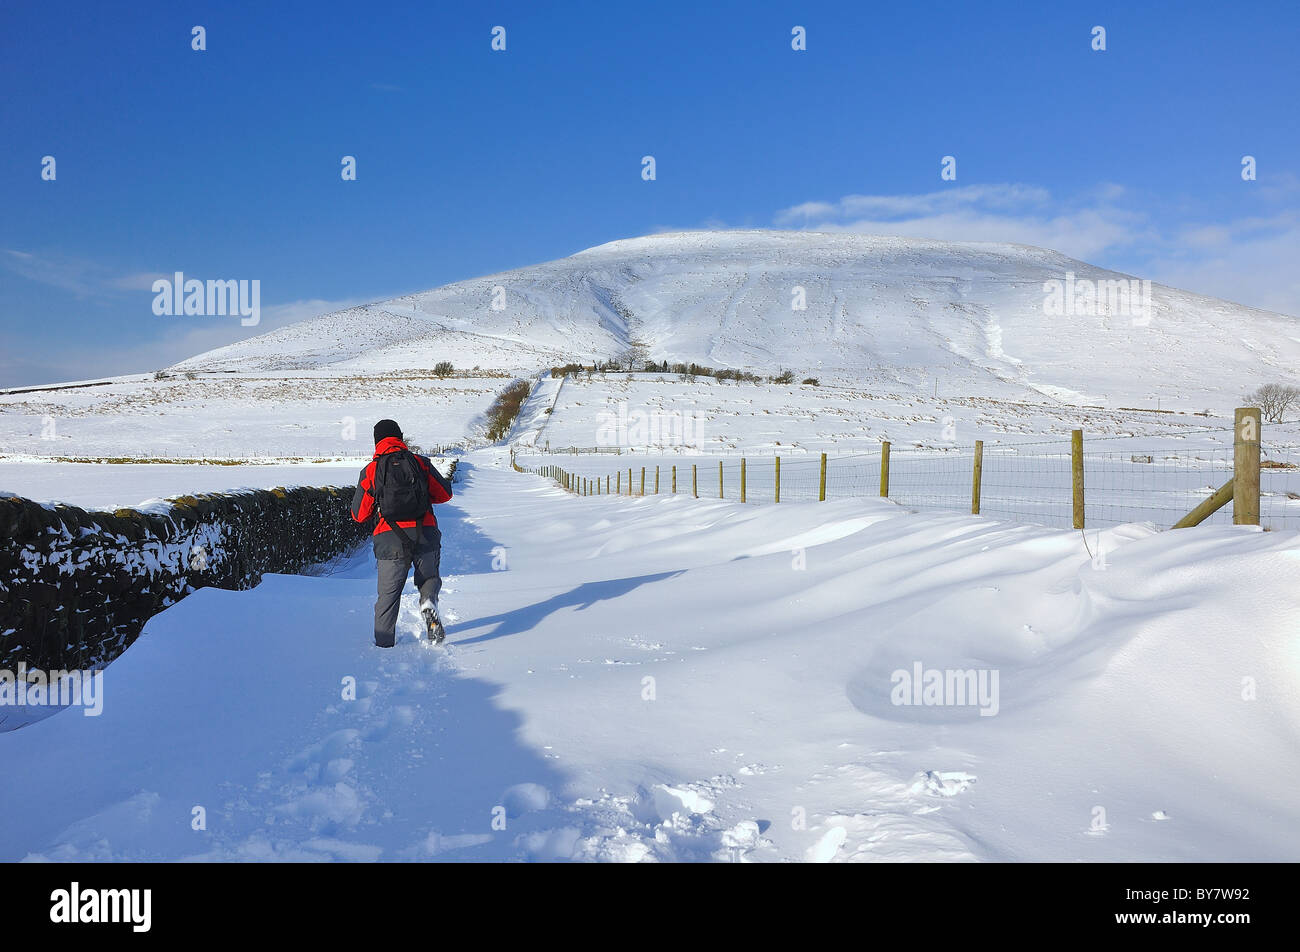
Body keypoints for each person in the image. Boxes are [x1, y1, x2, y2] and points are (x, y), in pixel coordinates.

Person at [350, 419, 453, 647]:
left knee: (388, 596)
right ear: (400, 437)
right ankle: (427, 601)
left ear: (377, 440)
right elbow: (445, 494)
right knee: (429, 579)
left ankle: (384, 645)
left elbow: (358, 514)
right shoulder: (420, 463)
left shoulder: (371, 470)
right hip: (425, 532)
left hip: (389, 540)